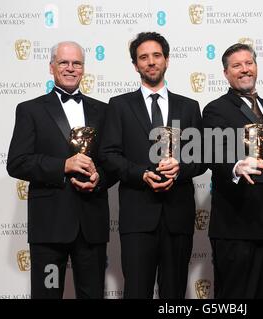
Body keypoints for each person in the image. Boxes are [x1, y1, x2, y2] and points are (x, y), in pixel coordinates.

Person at [99, 32, 205, 298]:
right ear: (135, 65)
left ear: (167, 60)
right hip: (137, 216)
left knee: (175, 293)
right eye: (143, 57)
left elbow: (201, 158)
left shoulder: (189, 106)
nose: (150, 62)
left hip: (178, 215)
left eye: (156, 56)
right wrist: (141, 173)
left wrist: (180, 168)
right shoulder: (119, 106)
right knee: (136, 291)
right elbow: (109, 155)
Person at [7, 41, 109, 299]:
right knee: (47, 294)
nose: (70, 68)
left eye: (77, 63)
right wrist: (63, 165)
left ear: (84, 69)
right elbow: (17, 162)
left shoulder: (104, 111)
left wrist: (99, 178)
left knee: (92, 294)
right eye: (64, 62)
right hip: (50, 227)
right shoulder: (30, 110)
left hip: (91, 224)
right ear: (52, 67)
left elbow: (111, 161)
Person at [202, 43, 263, 298]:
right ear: (226, 73)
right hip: (238, 225)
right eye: (237, 65)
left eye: (249, 63)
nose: (245, 70)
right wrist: (235, 167)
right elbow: (213, 151)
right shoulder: (216, 109)